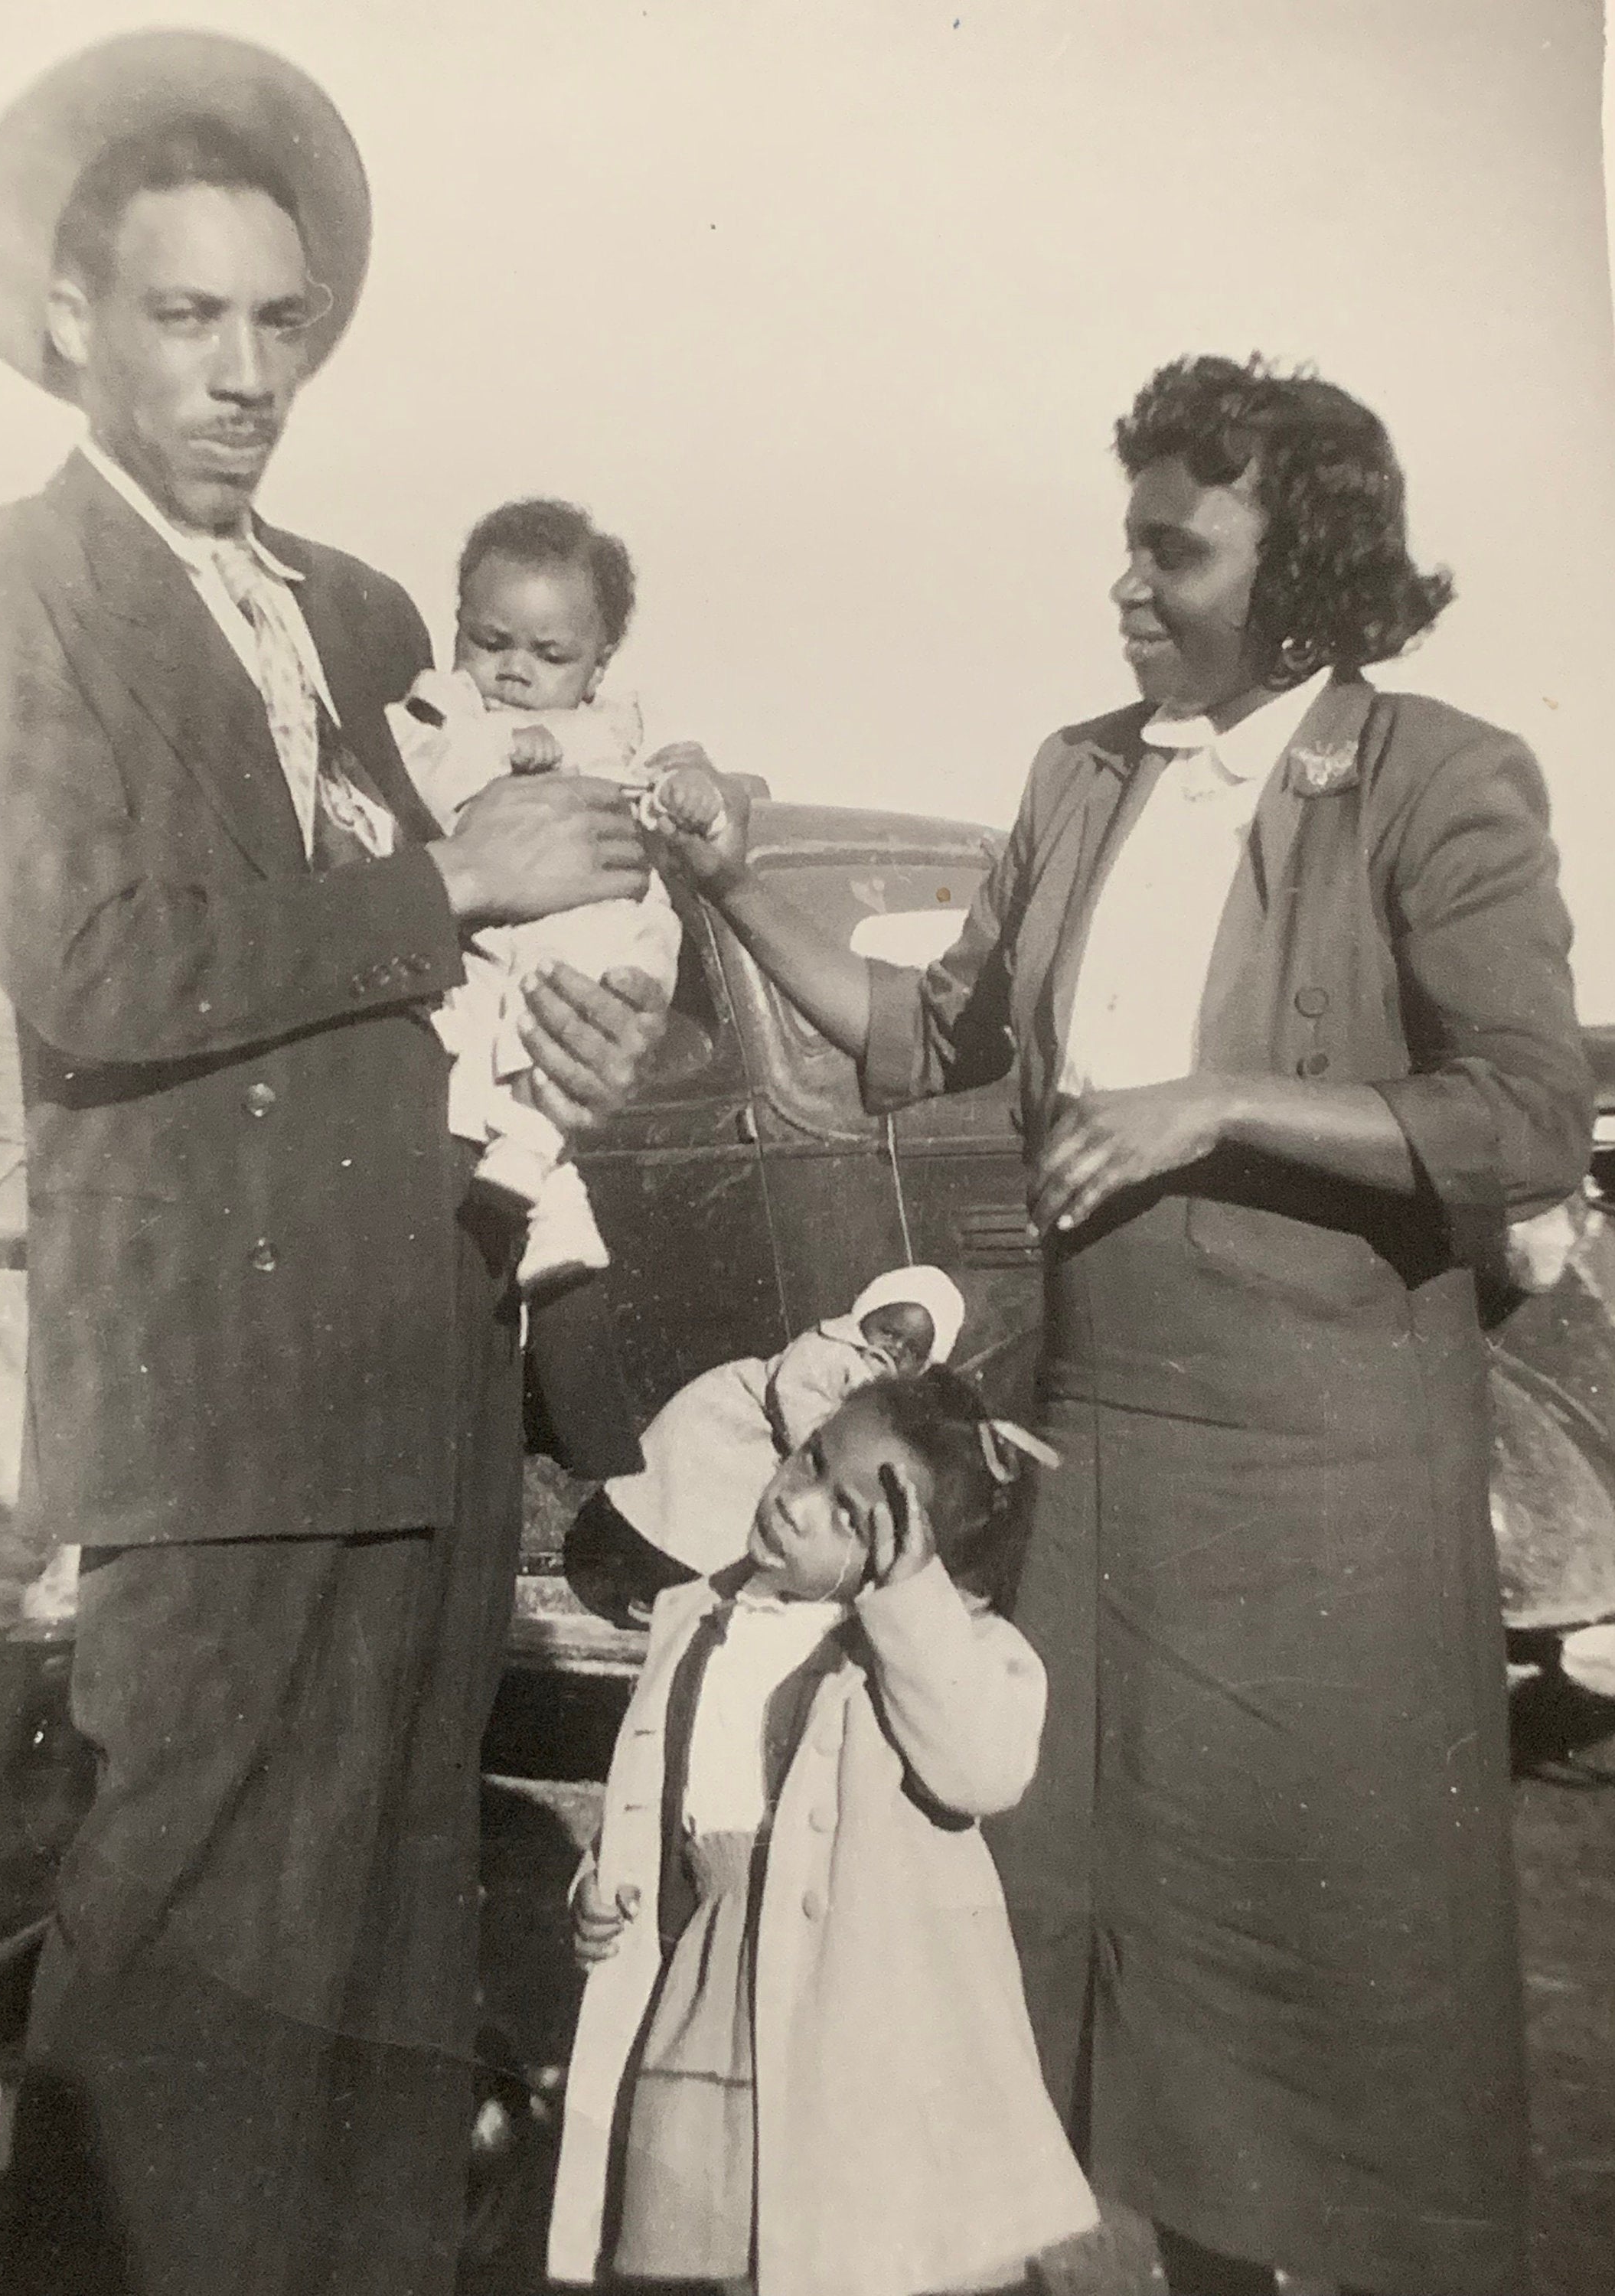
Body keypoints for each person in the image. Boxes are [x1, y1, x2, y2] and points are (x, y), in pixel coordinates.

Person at [654, 355, 1593, 2296]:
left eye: (1176, 550)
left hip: (1327, 1505)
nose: (1129, 586)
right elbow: (925, 1037)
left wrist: (1219, 1101)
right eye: (1127, 544)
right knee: (1054, 1965)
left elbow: (1521, 1108)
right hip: (1105, 1471)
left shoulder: (1434, 775)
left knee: (1324, 2017)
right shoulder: (1082, 773)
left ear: (1306, 564)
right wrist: (728, 877)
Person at [0, 32, 667, 2296]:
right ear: (70, 318)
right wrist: (449, 889)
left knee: (378, 2008)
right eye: (187, 317)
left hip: (424, 1387)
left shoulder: (369, 616)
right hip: (212, 1421)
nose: (247, 372)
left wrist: (576, 1010)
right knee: (170, 2023)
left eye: (280, 323)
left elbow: (472, 948)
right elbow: (95, 960)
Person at [549, 1370, 1098, 2296]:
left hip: (846, 2009)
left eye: (852, 1516)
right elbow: (660, 1783)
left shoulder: (932, 1650)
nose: (799, 1504)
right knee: (707, 2234)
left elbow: (982, 1767)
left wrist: (915, 1603)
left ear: (908, 1558)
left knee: (841, 2244)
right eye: (811, 1462)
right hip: (697, 1981)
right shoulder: (698, 1618)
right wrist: (601, 1883)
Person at [390, 496, 721, 1292]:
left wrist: (693, 788)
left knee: (627, 971)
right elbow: (428, 777)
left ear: (598, 663)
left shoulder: (619, 720)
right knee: (497, 1014)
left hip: (613, 912)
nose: (515, 670)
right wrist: (506, 749)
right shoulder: (447, 707)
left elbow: (675, 770)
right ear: (458, 625)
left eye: (550, 655)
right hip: (510, 922)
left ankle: (543, 1174)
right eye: (491, 642)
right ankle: (546, 1181)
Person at [600, 1264, 967, 1579]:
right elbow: (795, 1394)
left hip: (781, 1454)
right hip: (744, 1423)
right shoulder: (830, 1350)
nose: (895, 1349)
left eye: (913, 1350)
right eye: (889, 1332)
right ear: (863, 1316)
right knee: (691, 1498)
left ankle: (692, 1576)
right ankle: (653, 1564)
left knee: (740, 1525)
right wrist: (828, 1449)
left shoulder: (885, 1397)